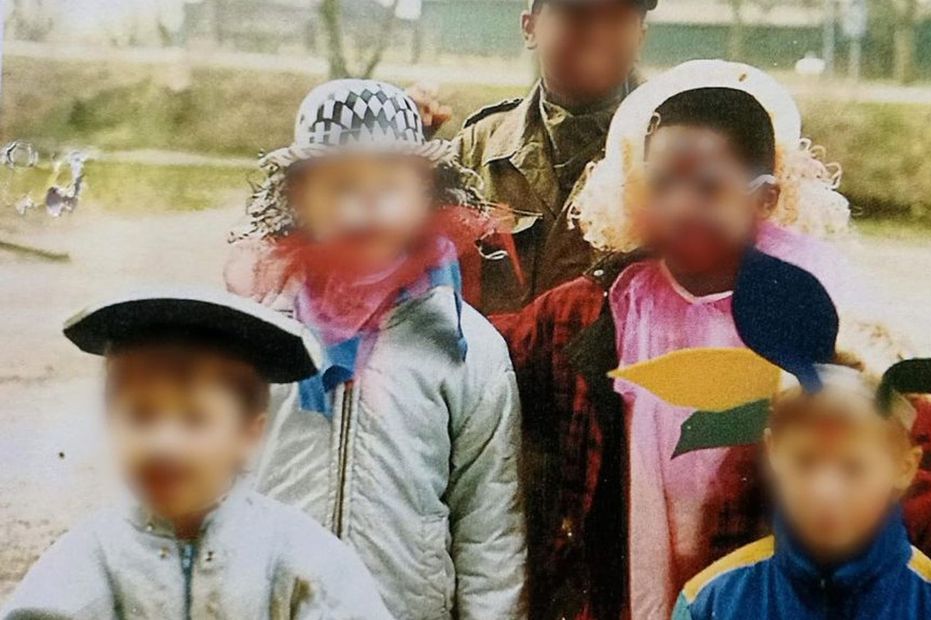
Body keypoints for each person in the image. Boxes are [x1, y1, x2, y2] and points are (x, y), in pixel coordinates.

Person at [491, 60, 931, 620]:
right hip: (629, 588)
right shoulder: (599, 307)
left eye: (709, 187)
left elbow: (889, 449)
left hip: (763, 595)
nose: (681, 206)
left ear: (764, 199)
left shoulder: (817, 315)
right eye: (662, 184)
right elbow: (491, 355)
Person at [226, 79, 526, 619]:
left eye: (389, 187)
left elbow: (489, 535)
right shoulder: (252, 335)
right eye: (340, 186)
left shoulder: (465, 347)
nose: (364, 210)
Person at [1, 289, 394, 620]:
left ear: (248, 434)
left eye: (195, 419)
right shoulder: (91, 556)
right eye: (140, 416)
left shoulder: (300, 555)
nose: (164, 444)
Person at [672, 351, 931, 620]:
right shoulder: (709, 600)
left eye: (853, 467)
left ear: (905, 467)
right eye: (805, 461)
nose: (825, 491)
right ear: (773, 450)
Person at [444, 0, 656, 313]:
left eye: (616, 18)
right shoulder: (478, 147)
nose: (597, 32)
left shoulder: (669, 155)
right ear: (530, 28)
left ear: (639, 36)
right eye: (576, 14)